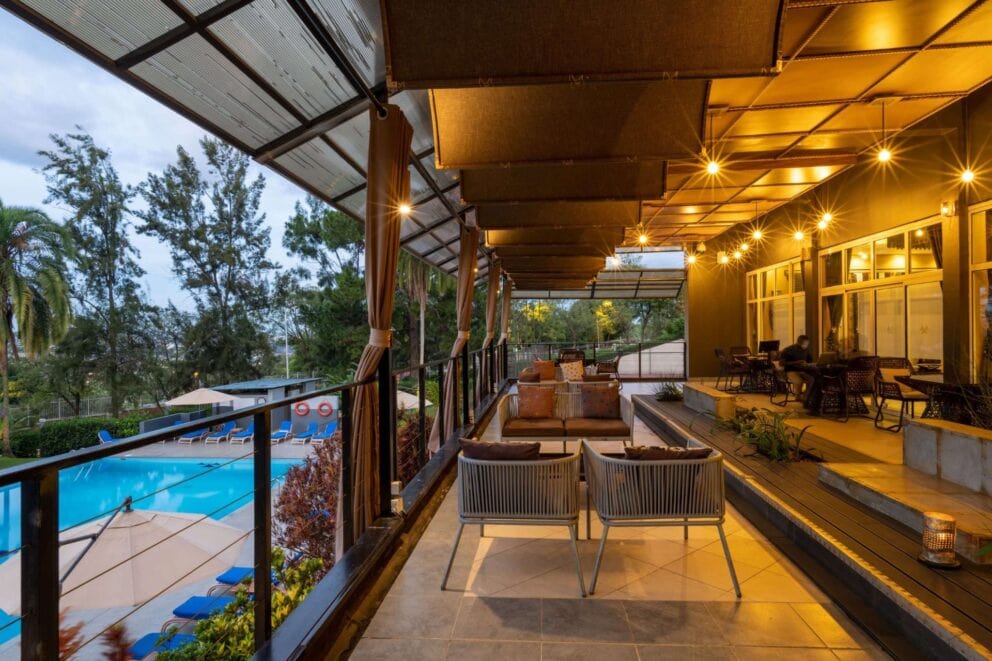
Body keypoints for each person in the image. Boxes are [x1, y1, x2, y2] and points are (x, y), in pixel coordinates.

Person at [780, 335, 814, 401]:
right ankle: (798, 396)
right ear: (798, 342)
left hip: (802, 370)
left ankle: (806, 397)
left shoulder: (806, 350)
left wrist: (808, 364)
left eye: (807, 344)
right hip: (791, 371)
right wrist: (796, 362)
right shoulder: (788, 350)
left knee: (812, 380)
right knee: (799, 381)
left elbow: (810, 361)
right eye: (804, 344)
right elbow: (781, 363)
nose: (805, 346)